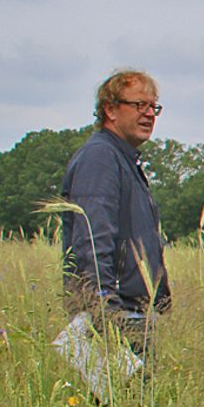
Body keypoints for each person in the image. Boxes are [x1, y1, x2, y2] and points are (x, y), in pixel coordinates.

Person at [60, 68, 171, 356]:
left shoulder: (123, 160)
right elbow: (92, 241)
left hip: (133, 313)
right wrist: (104, 313)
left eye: (153, 107)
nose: (149, 114)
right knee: (124, 387)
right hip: (117, 316)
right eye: (139, 105)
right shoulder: (100, 158)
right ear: (110, 110)